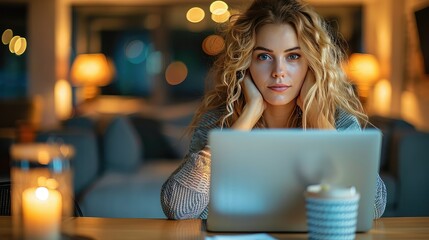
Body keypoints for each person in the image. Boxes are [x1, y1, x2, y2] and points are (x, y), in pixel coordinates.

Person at [161, 0, 387, 220]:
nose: (279, 71)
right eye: (264, 56)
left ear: (311, 63)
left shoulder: (339, 123)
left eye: (293, 56)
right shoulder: (217, 122)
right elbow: (179, 207)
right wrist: (244, 123)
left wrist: (319, 121)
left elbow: (373, 207)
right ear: (246, 63)